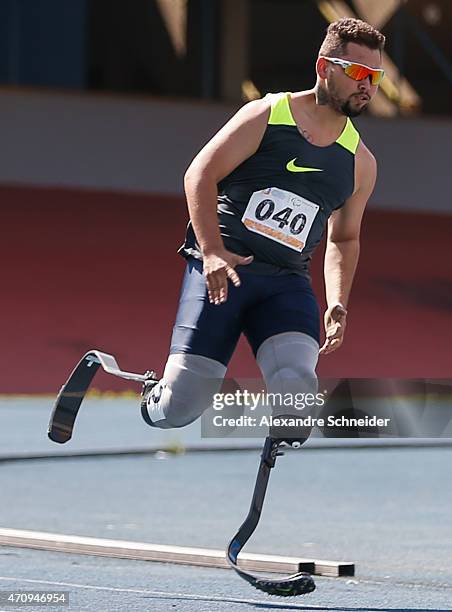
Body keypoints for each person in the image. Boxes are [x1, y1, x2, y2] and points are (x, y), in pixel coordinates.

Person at [140, 18, 386, 441]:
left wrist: (337, 301)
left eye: (376, 77)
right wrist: (212, 250)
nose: (368, 86)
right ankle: (150, 392)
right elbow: (200, 174)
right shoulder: (267, 114)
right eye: (358, 73)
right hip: (223, 273)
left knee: (297, 400)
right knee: (180, 408)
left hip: (285, 284)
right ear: (324, 68)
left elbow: (344, 238)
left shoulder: (361, 163)